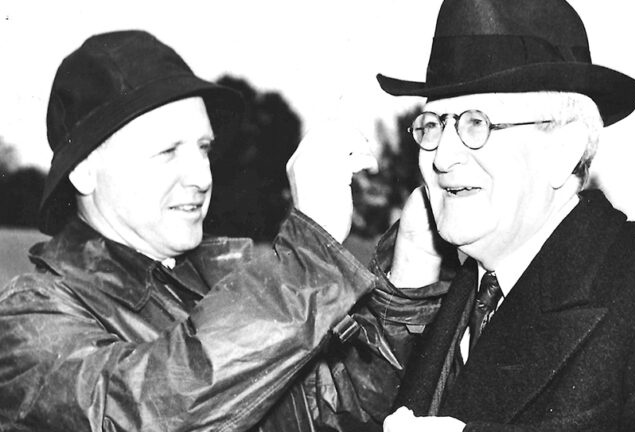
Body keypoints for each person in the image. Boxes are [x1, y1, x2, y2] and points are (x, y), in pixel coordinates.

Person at [368, 0, 635, 430]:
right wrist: (405, 280)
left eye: (475, 123)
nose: (442, 157)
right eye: (432, 125)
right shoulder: (440, 296)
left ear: (563, 149)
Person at [0, 30, 394, 431]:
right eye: (167, 151)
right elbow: (138, 411)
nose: (202, 177)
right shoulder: (28, 319)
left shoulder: (224, 284)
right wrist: (308, 261)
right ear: (84, 171)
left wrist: (408, 278)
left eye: (203, 148)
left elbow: (336, 411)